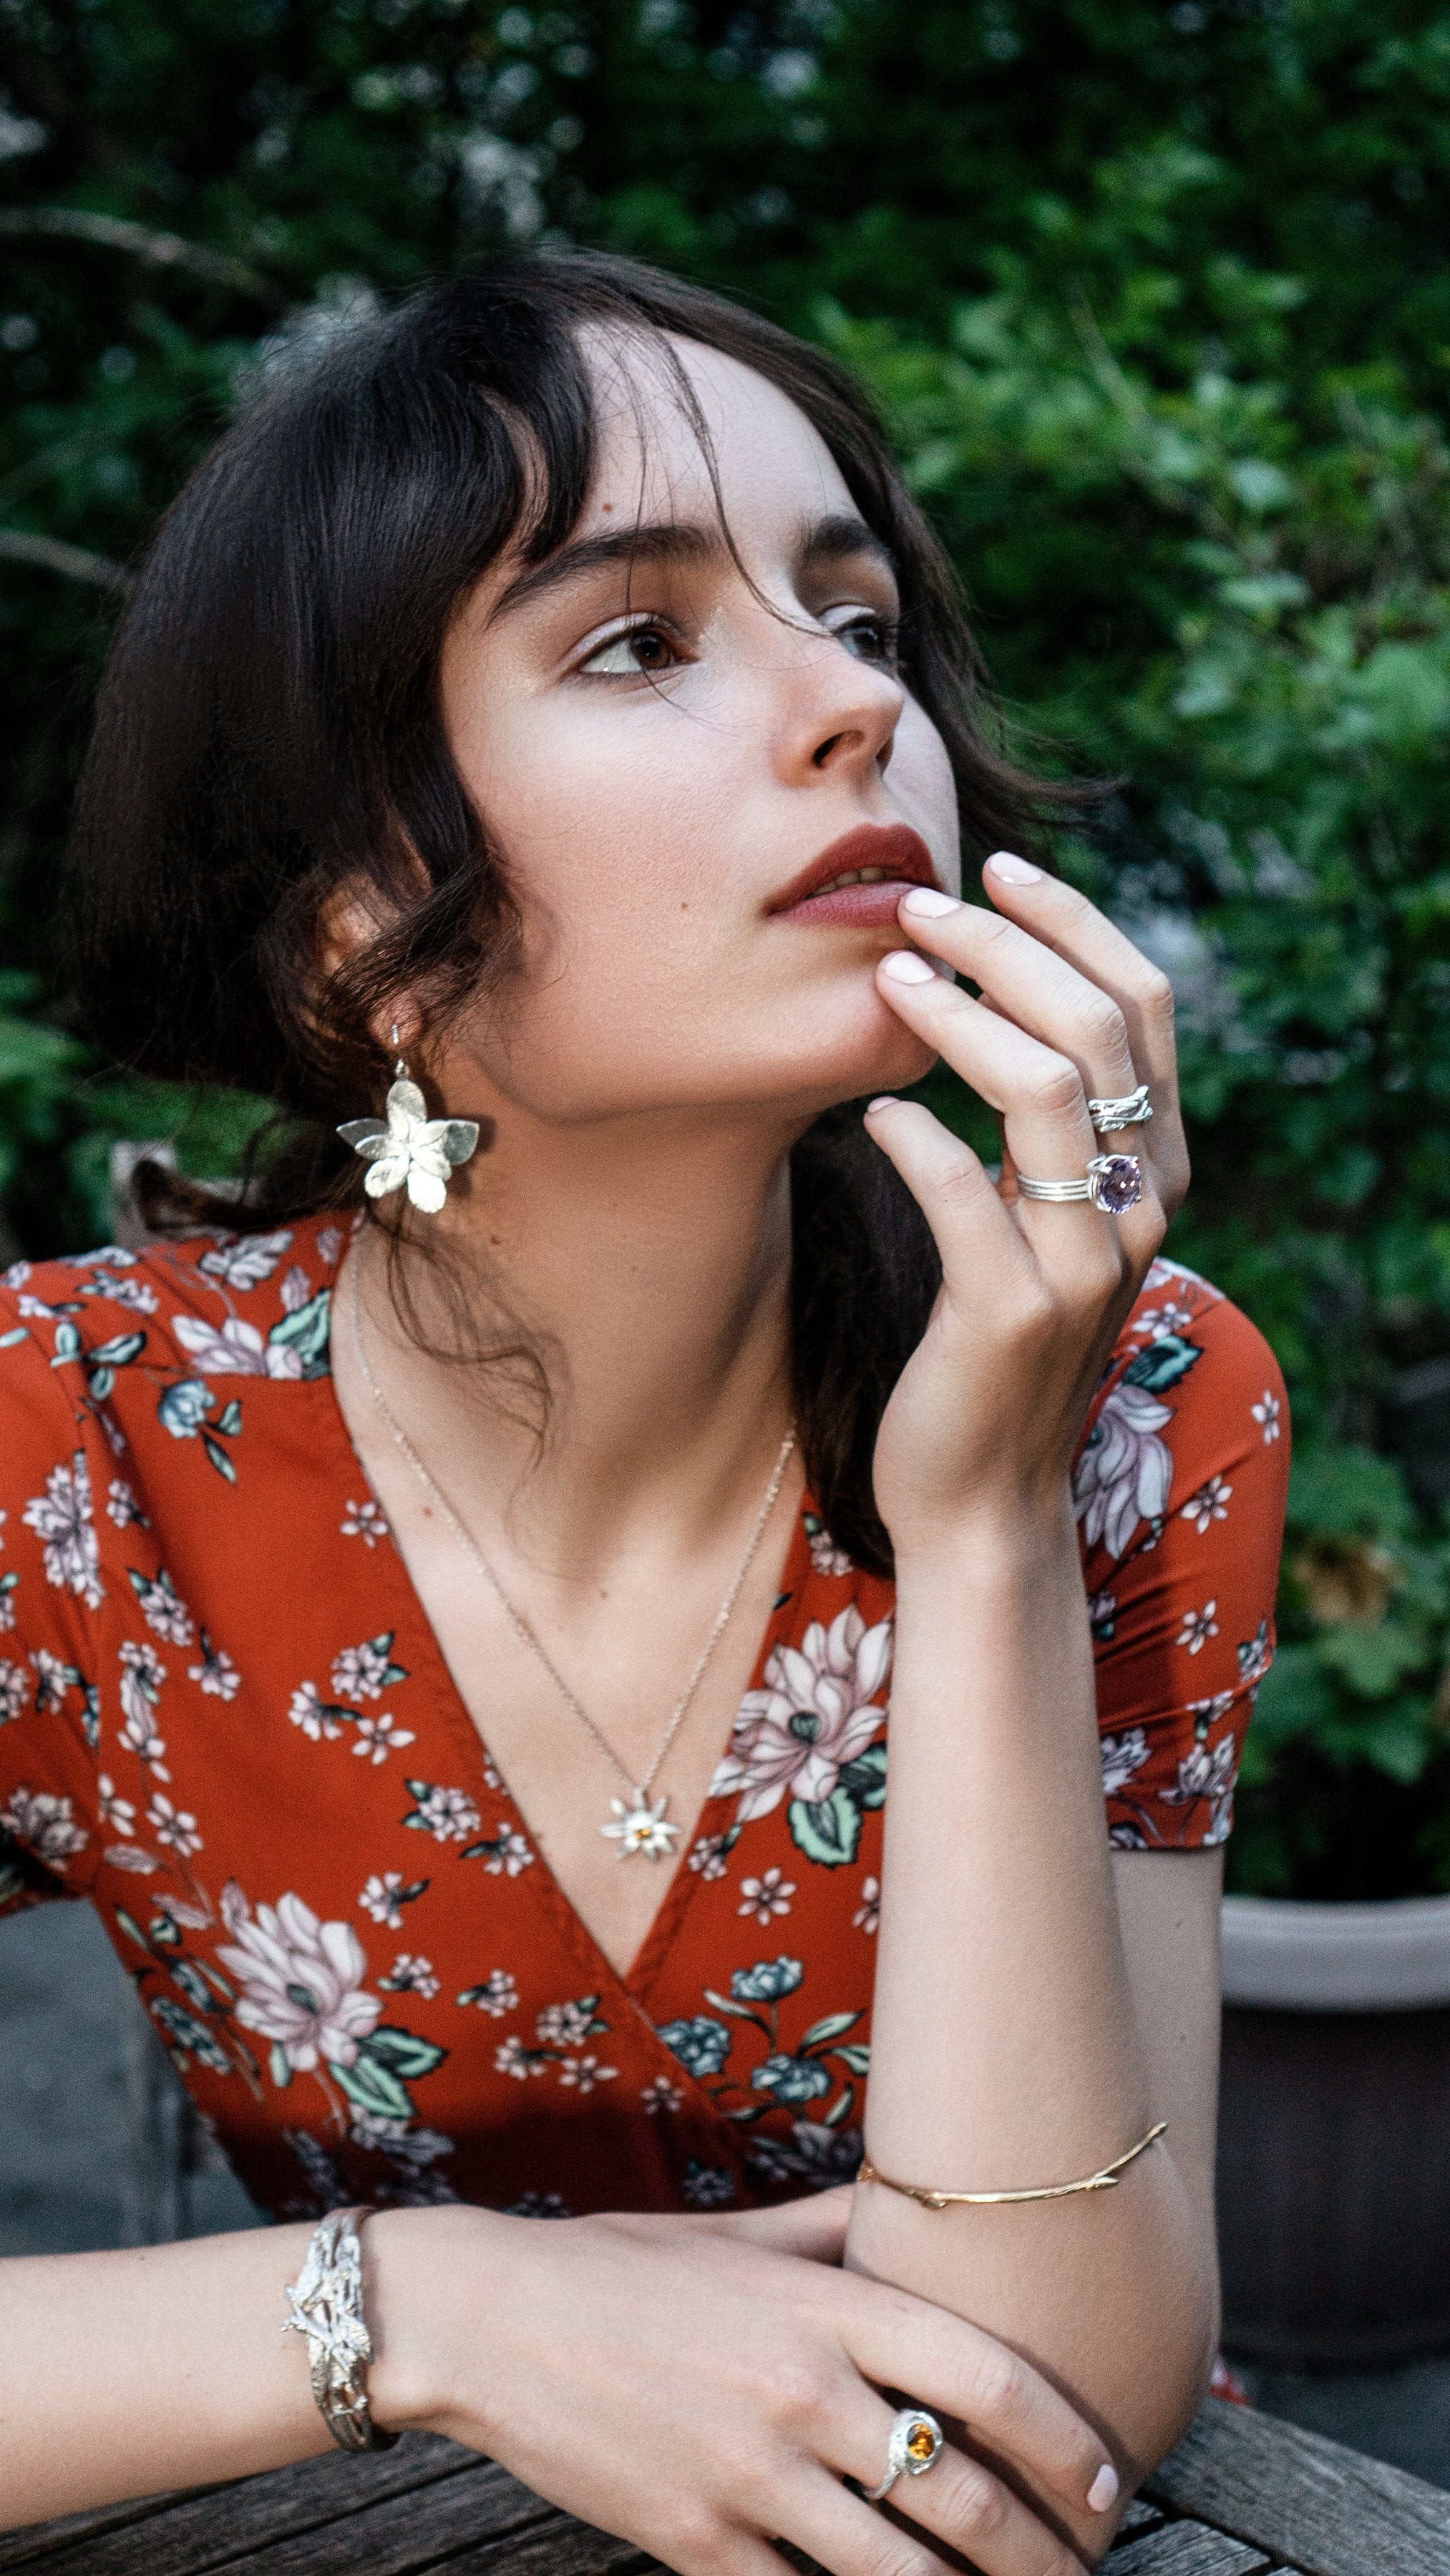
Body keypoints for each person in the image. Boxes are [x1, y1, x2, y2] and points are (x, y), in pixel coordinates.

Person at [0, 254, 1287, 2572]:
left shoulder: (1132, 1396)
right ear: (357, 923)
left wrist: (984, 1522)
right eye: (637, 641)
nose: (846, 715)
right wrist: (428, 2305)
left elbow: (1061, 2428)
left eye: (858, 618)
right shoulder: (66, 1453)